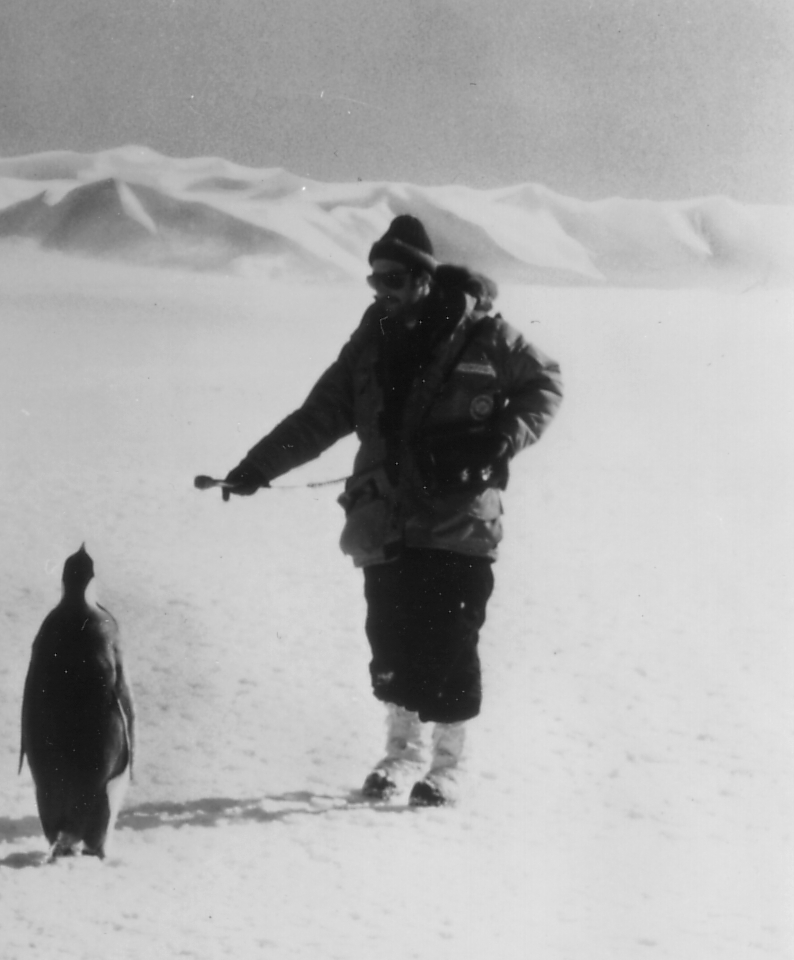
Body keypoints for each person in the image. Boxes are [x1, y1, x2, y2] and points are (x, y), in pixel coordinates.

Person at [218, 214, 563, 806]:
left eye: (394, 279)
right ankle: (401, 757)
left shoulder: (486, 336)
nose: (383, 291)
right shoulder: (371, 341)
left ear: (425, 279)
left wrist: (500, 439)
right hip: (386, 518)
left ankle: (448, 767)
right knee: (392, 644)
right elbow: (321, 414)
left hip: (459, 522)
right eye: (375, 279)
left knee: (450, 644)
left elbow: (545, 383)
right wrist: (257, 467)